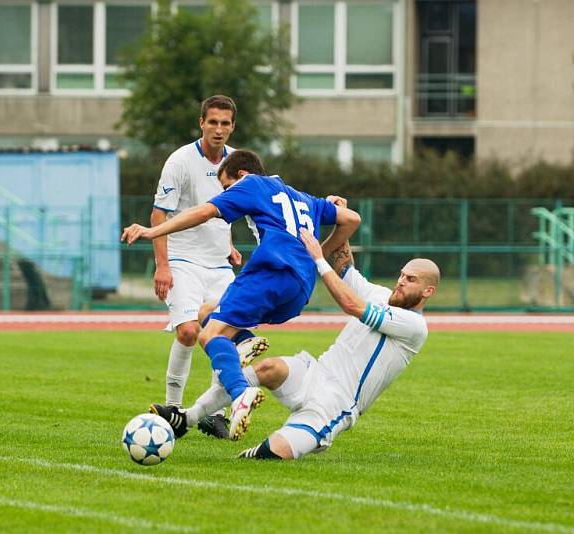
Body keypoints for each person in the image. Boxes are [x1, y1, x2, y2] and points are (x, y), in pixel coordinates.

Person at [154, 197, 440, 460]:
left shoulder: (414, 327)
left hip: (337, 403)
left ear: (427, 291)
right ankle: (186, 418)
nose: (401, 281)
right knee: (269, 369)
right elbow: (344, 267)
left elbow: (352, 306)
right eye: (402, 275)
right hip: (316, 372)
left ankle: (297, 439)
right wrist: (339, 218)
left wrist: (317, 257)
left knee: (267, 455)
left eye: (410, 279)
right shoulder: (379, 294)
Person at [122, 150, 361, 440]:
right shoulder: (303, 197)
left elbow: (205, 212)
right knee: (206, 312)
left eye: (226, 187)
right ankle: (243, 342)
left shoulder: (251, 185)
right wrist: (317, 256)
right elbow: (351, 219)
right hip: (299, 290)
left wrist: (153, 231)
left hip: (271, 271)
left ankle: (241, 393)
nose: (226, 193)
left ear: (242, 176)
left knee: (208, 335)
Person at [149, 95, 267, 439]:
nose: (219, 129)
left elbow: (248, 211)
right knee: (188, 331)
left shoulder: (238, 164)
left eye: (225, 123)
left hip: (218, 265)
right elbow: (160, 213)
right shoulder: (180, 160)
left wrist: (231, 246)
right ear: (201, 122)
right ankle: (172, 410)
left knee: (225, 333)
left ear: (233, 127)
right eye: (212, 122)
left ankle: (211, 413)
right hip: (182, 259)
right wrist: (162, 266)